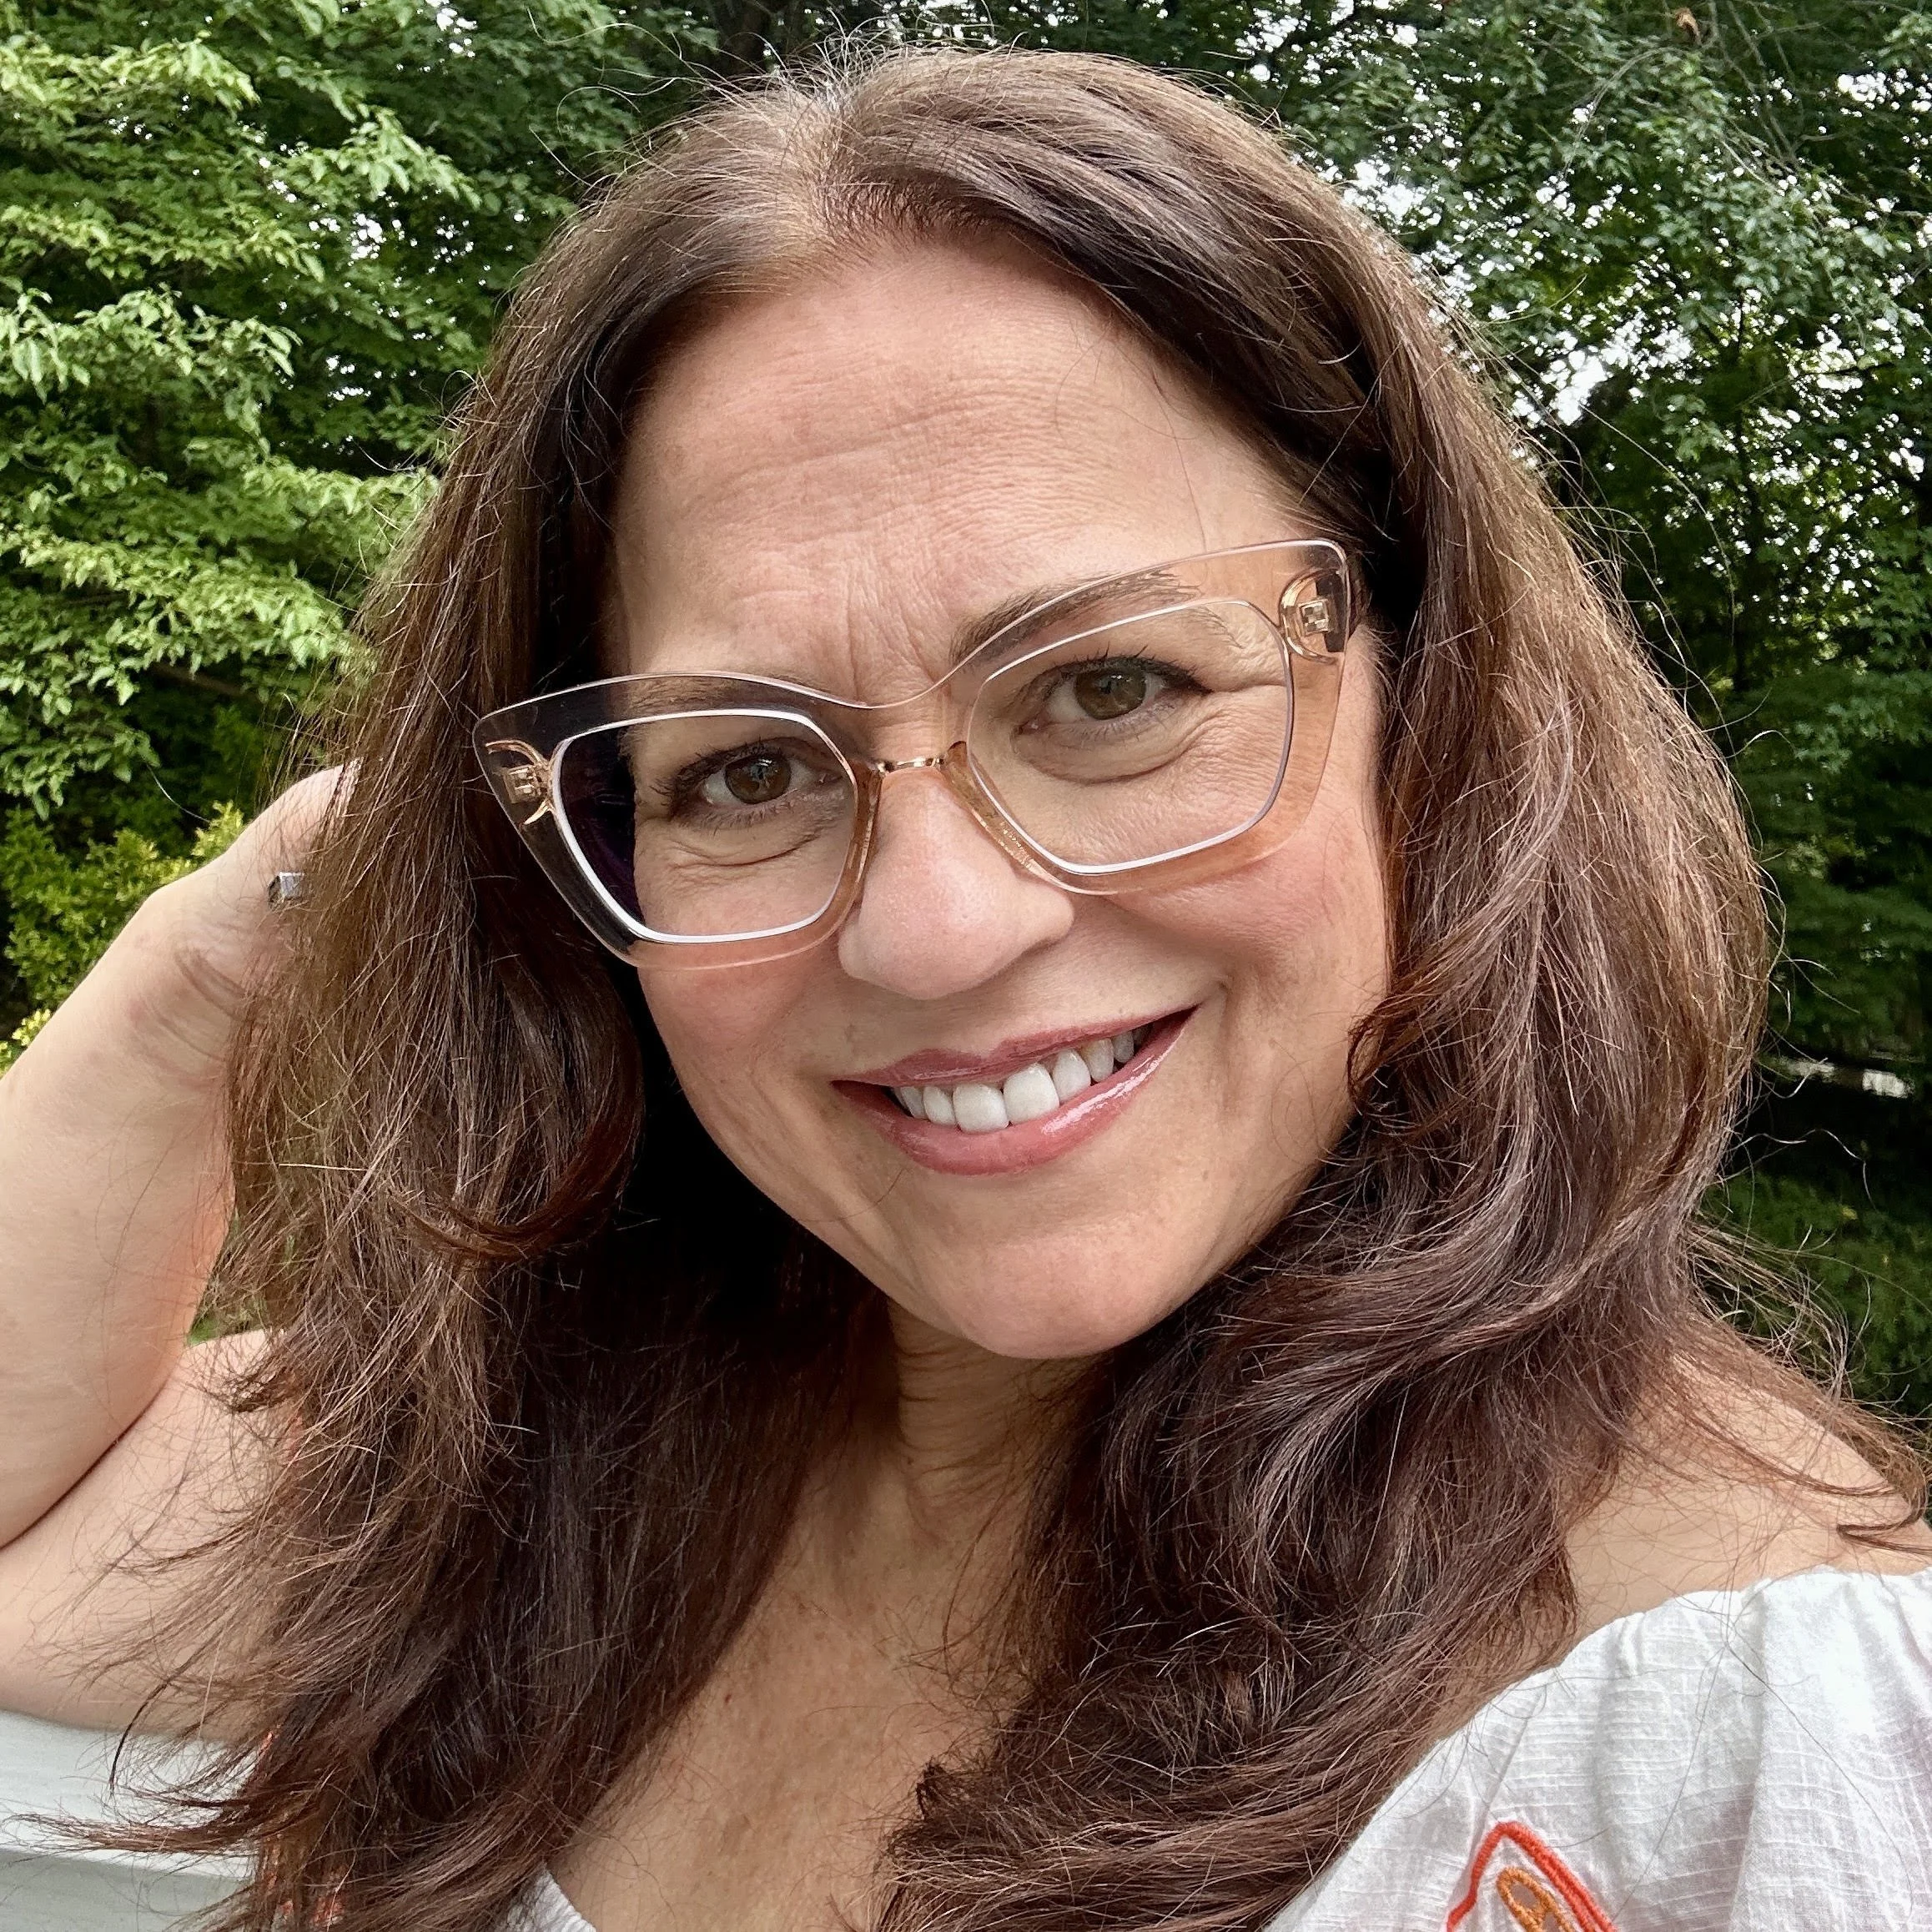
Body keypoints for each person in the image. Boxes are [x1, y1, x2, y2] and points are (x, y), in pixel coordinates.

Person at [0, 45, 1927, 1932]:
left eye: (1112, 688)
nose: (932, 930)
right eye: (743, 770)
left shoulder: (1757, 1738)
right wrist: (233, 937)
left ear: (1436, 707)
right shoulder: (559, 1464)